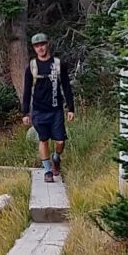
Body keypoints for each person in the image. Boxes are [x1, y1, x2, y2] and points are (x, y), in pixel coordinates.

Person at [22, 31, 74, 182]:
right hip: (38, 110)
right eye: (37, 46)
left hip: (56, 110)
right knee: (43, 140)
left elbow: (66, 87)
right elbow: (26, 90)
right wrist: (25, 112)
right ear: (34, 48)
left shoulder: (58, 64)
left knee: (60, 141)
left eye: (42, 44)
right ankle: (47, 171)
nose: (40, 48)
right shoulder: (31, 67)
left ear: (47, 44)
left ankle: (56, 157)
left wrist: (71, 108)